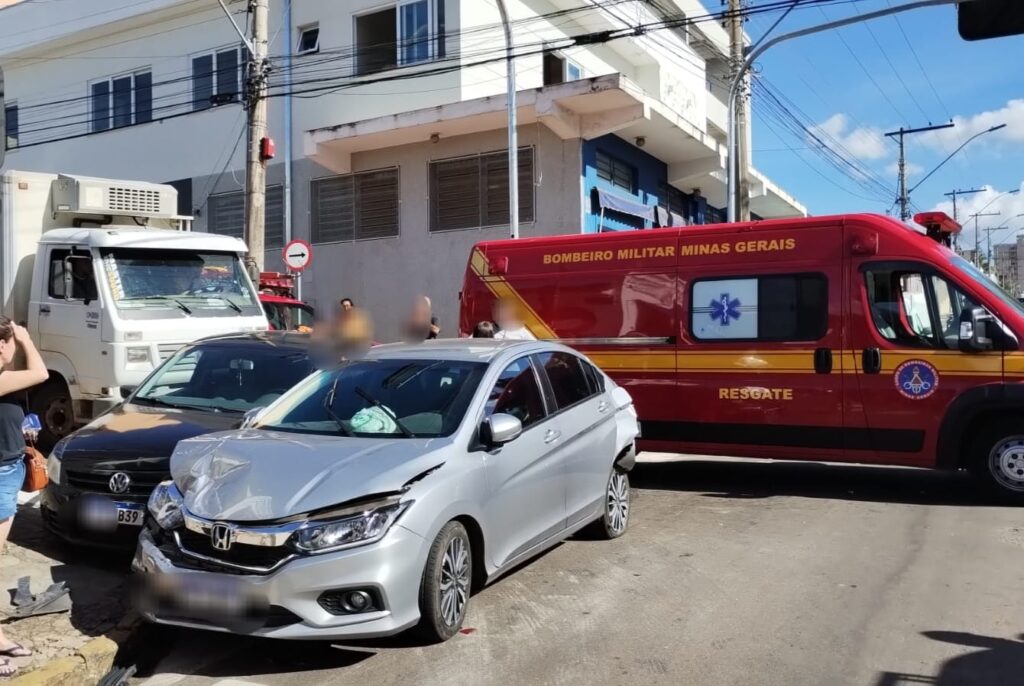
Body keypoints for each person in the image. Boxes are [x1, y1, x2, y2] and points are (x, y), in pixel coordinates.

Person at [0, 318, 49, 678]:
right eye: (12, 342)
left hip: (9, 470)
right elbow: (41, 373)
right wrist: (26, 338)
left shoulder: (6, 376)